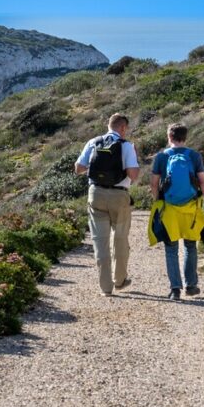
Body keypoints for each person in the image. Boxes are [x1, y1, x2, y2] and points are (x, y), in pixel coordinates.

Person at [149, 122, 204, 301]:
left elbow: (154, 184)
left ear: (169, 137)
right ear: (185, 137)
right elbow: (203, 183)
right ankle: (191, 285)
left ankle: (175, 289)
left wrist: (158, 203)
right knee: (190, 246)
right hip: (191, 208)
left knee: (171, 249)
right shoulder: (194, 156)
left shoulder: (162, 156)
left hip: (170, 209)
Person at [75, 112, 140, 296]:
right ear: (122, 127)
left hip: (96, 194)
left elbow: (78, 168)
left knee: (100, 241)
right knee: (120, 239)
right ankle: (119, 281)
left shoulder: (93, 142)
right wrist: (133, 158)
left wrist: (96, 168)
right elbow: (133, 176)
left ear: (109, 125)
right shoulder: (126, 146)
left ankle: (105, 288)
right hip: (119, 196)